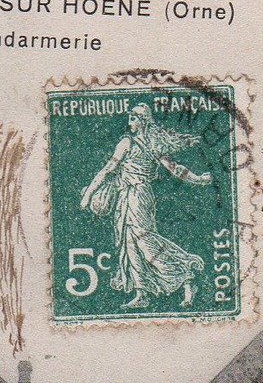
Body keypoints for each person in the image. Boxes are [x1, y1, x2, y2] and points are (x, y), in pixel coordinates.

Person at [79, 103, 210, 310]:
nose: (130, 121)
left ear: (143, 121)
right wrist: (199, 179)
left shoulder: (130, 143)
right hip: (127, 196)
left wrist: (88, 194)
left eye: (133, 118)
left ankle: (184, 275)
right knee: (129, 243)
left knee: (144, 240)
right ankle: (142, 293)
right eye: (130, 117)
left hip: (137, 196)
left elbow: (108, 169)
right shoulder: (146, 143)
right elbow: (176, 169)